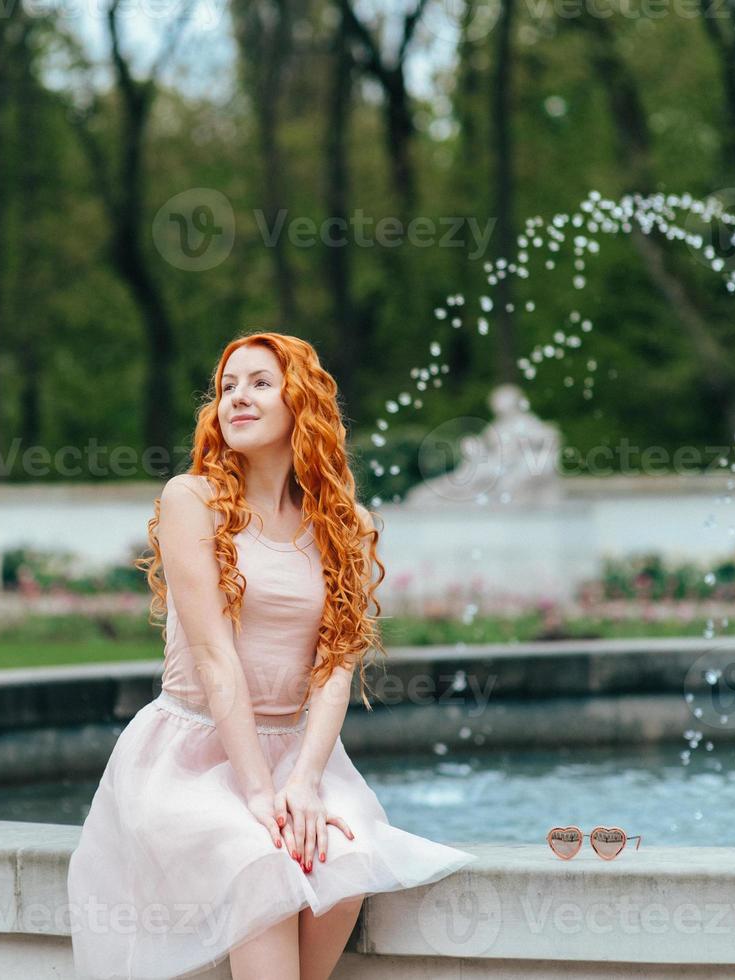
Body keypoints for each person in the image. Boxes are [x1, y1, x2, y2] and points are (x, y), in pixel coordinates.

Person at [66, 332, 476, 980]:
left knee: (341, 864)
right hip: (195, 753)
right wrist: (259, 794)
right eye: (228, 386)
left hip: (300, 756)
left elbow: (335, 670)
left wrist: (304, 782)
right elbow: (213, 655)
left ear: (300, 403)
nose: (237, 397)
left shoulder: (347, 523)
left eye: (259, 382)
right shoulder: (191, 501)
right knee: (261, 863)